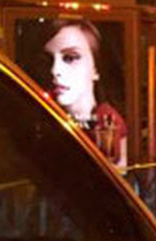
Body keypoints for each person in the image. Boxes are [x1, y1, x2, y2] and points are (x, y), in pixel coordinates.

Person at [43, 20, 126, 169]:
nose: (55, 70)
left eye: (70, 58)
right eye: (48, 60)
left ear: (96, 69)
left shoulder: (109, 122)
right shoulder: (42, 116)